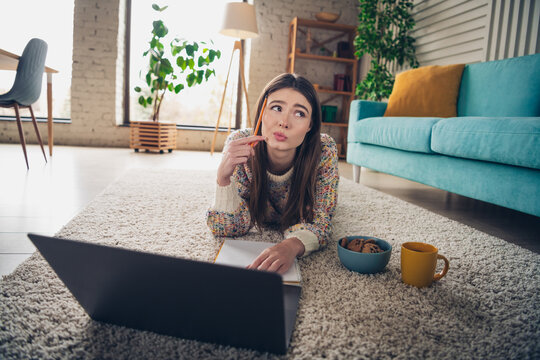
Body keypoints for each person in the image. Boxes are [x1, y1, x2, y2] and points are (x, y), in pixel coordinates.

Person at [207, 73, 339, 274]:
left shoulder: (324, 149)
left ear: (310, 125)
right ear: (262, 112)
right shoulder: (240, 144)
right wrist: (222, 179)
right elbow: (228, 227)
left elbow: (322, 222)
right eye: (277, 108)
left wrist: (292, 245)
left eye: (299, 113)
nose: (284, 122)